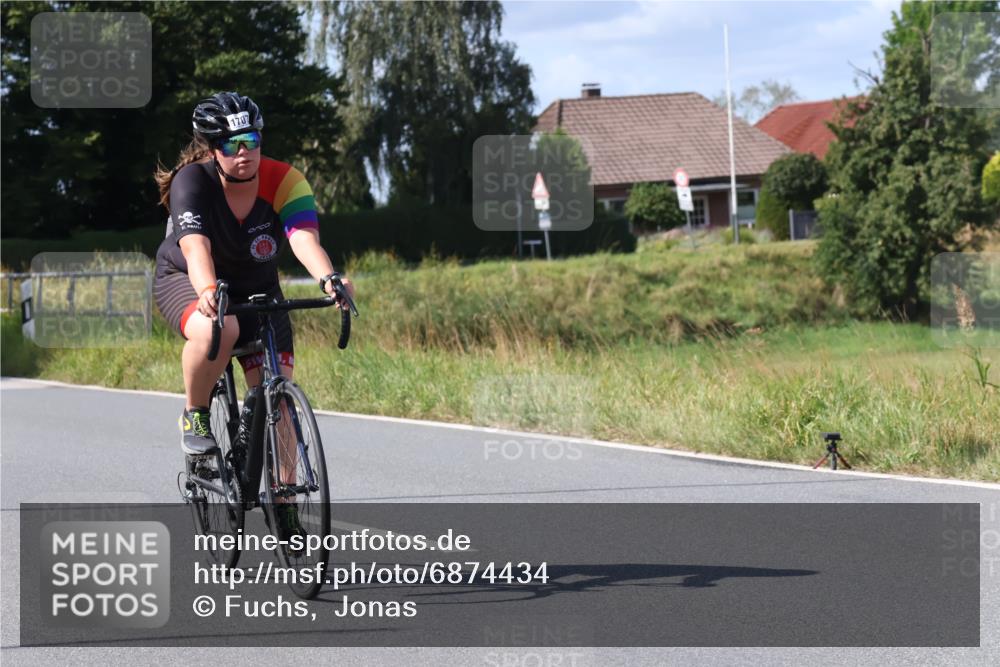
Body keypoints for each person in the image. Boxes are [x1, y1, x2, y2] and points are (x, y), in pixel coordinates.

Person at [153, 92, 351, 538]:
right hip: (187, 277)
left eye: (252, 139)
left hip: (259, 288)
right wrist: (206, 290)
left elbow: (302, 238)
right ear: (210, 148)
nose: (244, 152)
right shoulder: (193, 181)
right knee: (220, 328)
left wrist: (328, 279)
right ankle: (196, 414)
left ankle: (283, 504)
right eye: (230, 143)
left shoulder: (285, 180)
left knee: (279, 399)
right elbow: (195, 247)